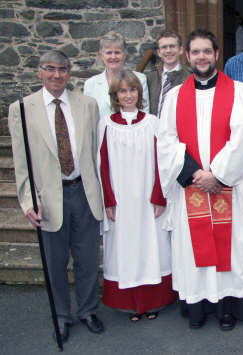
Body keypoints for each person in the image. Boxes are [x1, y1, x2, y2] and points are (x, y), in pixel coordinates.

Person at [157, 29, 243, 331]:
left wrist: (219, 175)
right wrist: (196, 175)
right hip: (193, 189)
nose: (201, 57)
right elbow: (166, 140)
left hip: (230, 188)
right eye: (196, 52)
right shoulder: (174, 97)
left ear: (216, 55)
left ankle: (227, 307)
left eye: (207, 51)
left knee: (231, 249)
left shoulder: (239, 92)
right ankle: (198, 307)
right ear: (188, 56)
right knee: (193, 249)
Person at [8, 50, 104, 343]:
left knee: (87, 259)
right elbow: (21, 160)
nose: (57, 75)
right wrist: (27, 201)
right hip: (50, 197)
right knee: (56, 262)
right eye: (50, 69)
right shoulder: (22, 109)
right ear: (39, 71)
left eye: (62, 69)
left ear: (69, 72)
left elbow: (96, 153)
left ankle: (88, 310)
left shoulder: (87, 105)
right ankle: (61, 316)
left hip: (84, 192)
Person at [98, 70, 176, 322]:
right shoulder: (106, 124)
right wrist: (108, 200)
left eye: (132, 90)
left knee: (151, 248)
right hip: (121, 200)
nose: (128, 95)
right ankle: (131, 304)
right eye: (123, 91)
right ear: (115, 96)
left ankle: (153, 301)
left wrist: (159, 196)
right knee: (126, 249)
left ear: (139, 94)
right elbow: (103, 164)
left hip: (148, 199)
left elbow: (161, 160)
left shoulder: (153, 122)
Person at [84, 31, 150, 119]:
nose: (113, 57)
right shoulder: (90, 84)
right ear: (101, 55)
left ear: (124, 54)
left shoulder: (140, 79)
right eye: (109, 53)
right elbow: (89, 117)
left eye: (117, 52)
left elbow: (144, 112)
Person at [147, 30, 192, 117]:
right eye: (164, 47)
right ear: (159, 52)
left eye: (172, 46)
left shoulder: (190, 77)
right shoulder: (150, 79)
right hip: (155, 128)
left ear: (181, 50)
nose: (168, 50)